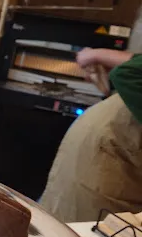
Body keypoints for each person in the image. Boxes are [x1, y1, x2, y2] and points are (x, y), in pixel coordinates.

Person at [40, 48, 142, 222]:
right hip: (114, 150)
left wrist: (98, 55)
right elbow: (128, 72)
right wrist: (98, 55)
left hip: (120, 148)